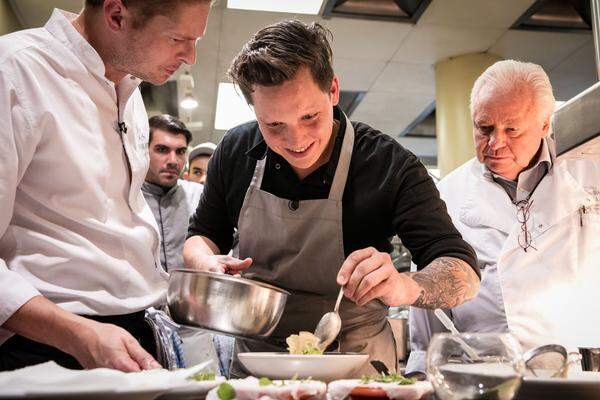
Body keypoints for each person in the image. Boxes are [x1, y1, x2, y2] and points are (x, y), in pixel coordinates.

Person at [183, 20, 480, 377]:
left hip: (356, 363)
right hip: (257, 366)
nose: (296, 140)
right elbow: (201, 237)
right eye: (273, 125)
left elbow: (462, 270)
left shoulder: (388, 164)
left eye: (310, 117)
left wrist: (405, 286)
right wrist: (206, 263)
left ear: (333, 90)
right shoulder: (235, 150)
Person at [0, 0, 210, 372]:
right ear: (116, 15)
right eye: (179, 38)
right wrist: (76, 333)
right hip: (49, 342)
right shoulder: (15, 70)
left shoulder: (130, 91)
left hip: (131, 332)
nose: (191, 56)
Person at [406, 60, 600, 374]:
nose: (496, 143)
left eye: (511, 129)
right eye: (484, 128)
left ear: (545, 125)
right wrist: (421, 375)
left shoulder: (589, 169)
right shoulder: (445, 197)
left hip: (581, 371)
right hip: (487, 373)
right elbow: (427, 316)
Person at [143, 115, 203, 271]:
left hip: (187, 293)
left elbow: (236, 237)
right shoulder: (125, 196)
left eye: (180, 152)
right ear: (143, 149)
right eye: (162, 150)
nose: (173, 161)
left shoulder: (199, 196)